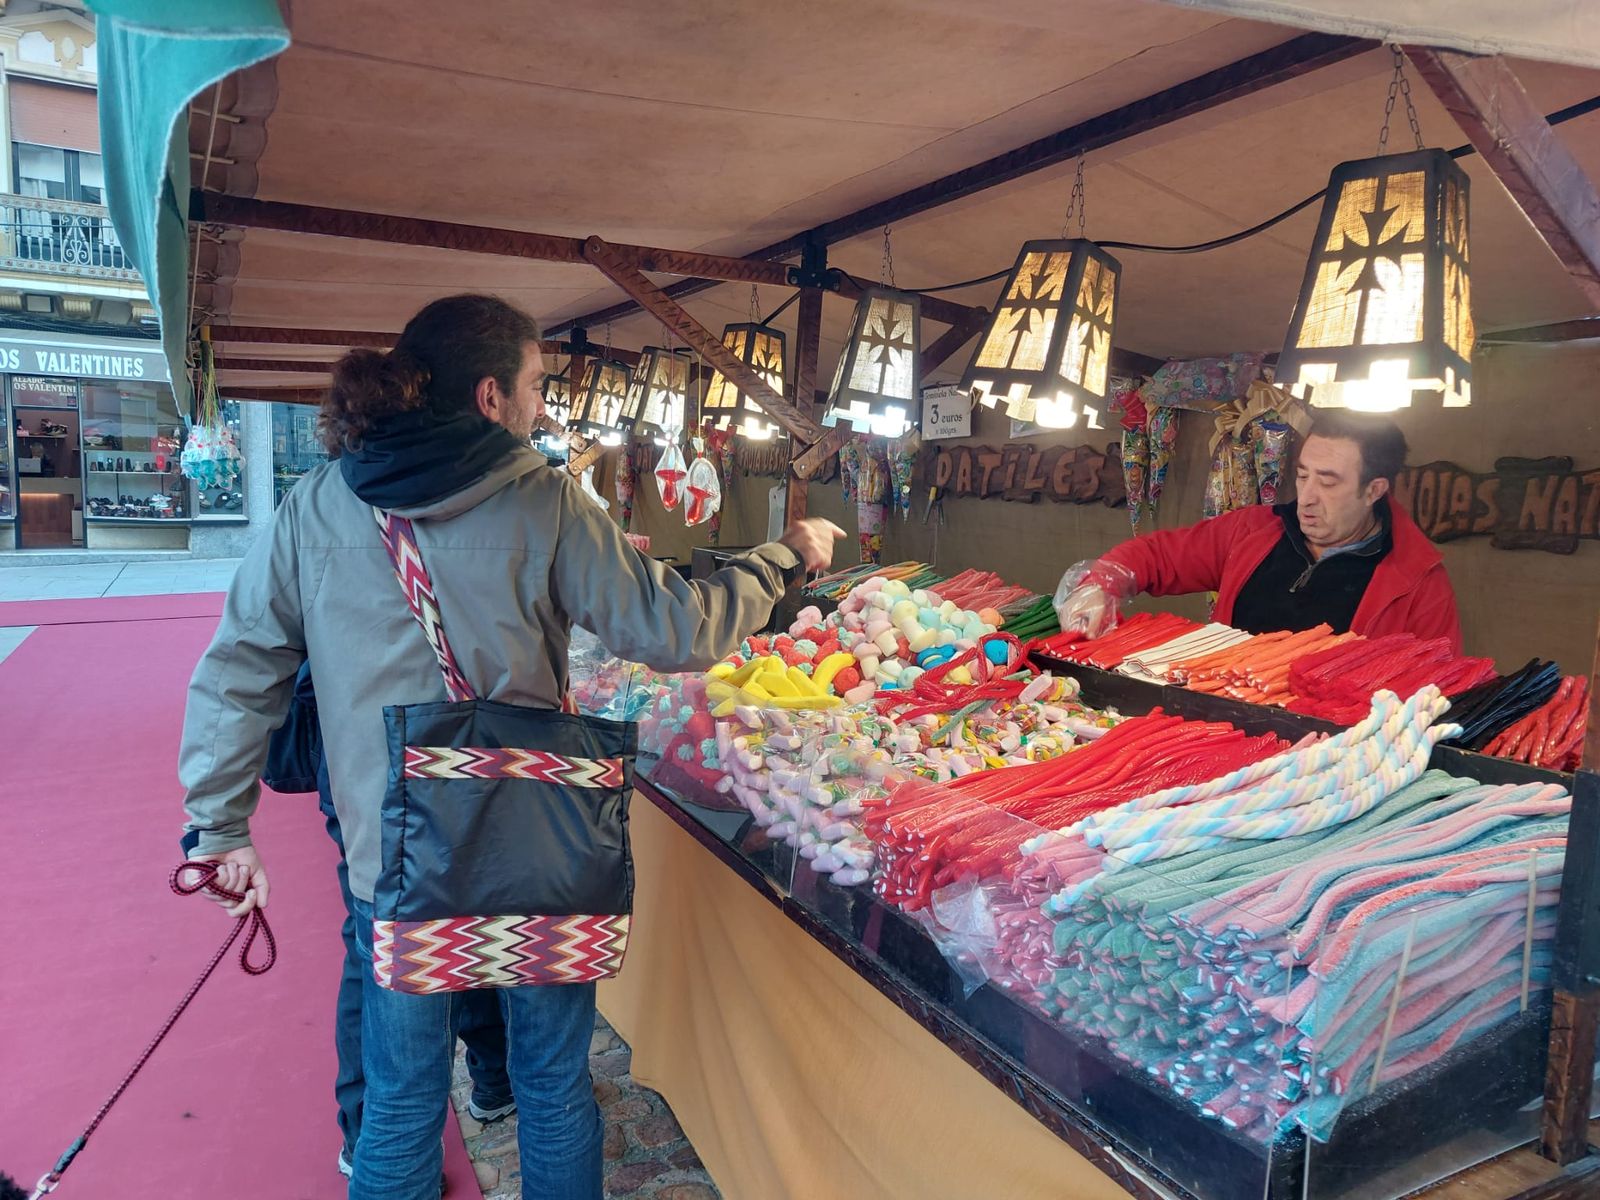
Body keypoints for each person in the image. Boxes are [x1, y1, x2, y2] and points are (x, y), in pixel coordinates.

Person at [176, 293, 844, 1200]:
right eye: (535, 385)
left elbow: (240, 665)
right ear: (491, 397)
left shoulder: (317, 503)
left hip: (394, 859)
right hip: (538, 851)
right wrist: (781, 558)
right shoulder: (546, 499)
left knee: (402, 1100)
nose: (543, 406)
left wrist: (218, 827)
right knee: (552, 1088)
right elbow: (675, 629)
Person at [264, 665, 518, 1181]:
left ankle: (482, 1081)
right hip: (398, 742)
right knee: (405, 930)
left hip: (372, 742)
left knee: (426, 922)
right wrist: (215, 821)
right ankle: (382, 1127)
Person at [1056, 409, 1461, 650]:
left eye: (1329, 481)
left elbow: (1435, 689)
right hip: (1220, 722)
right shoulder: (1254, 530)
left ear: (1374, 490)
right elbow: (1157, 555)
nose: (1307, 496)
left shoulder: (1418, 581)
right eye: (1303, 476)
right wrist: (1101, 584)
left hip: (1331, 760)